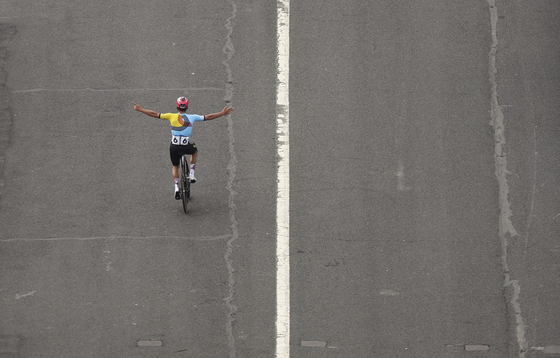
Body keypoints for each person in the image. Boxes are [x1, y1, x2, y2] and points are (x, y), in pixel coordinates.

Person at [133, 97, 233, 200]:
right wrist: (222, 113)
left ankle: (176, 188)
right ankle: (192, 174)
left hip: (174, 147)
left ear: (177, 106)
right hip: (186, 147)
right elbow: (208, 117)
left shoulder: (171, 116)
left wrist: (141, 109)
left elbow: (154, 114)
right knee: (194, 151)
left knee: (175, 167)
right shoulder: (192, 117)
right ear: (187, 107)